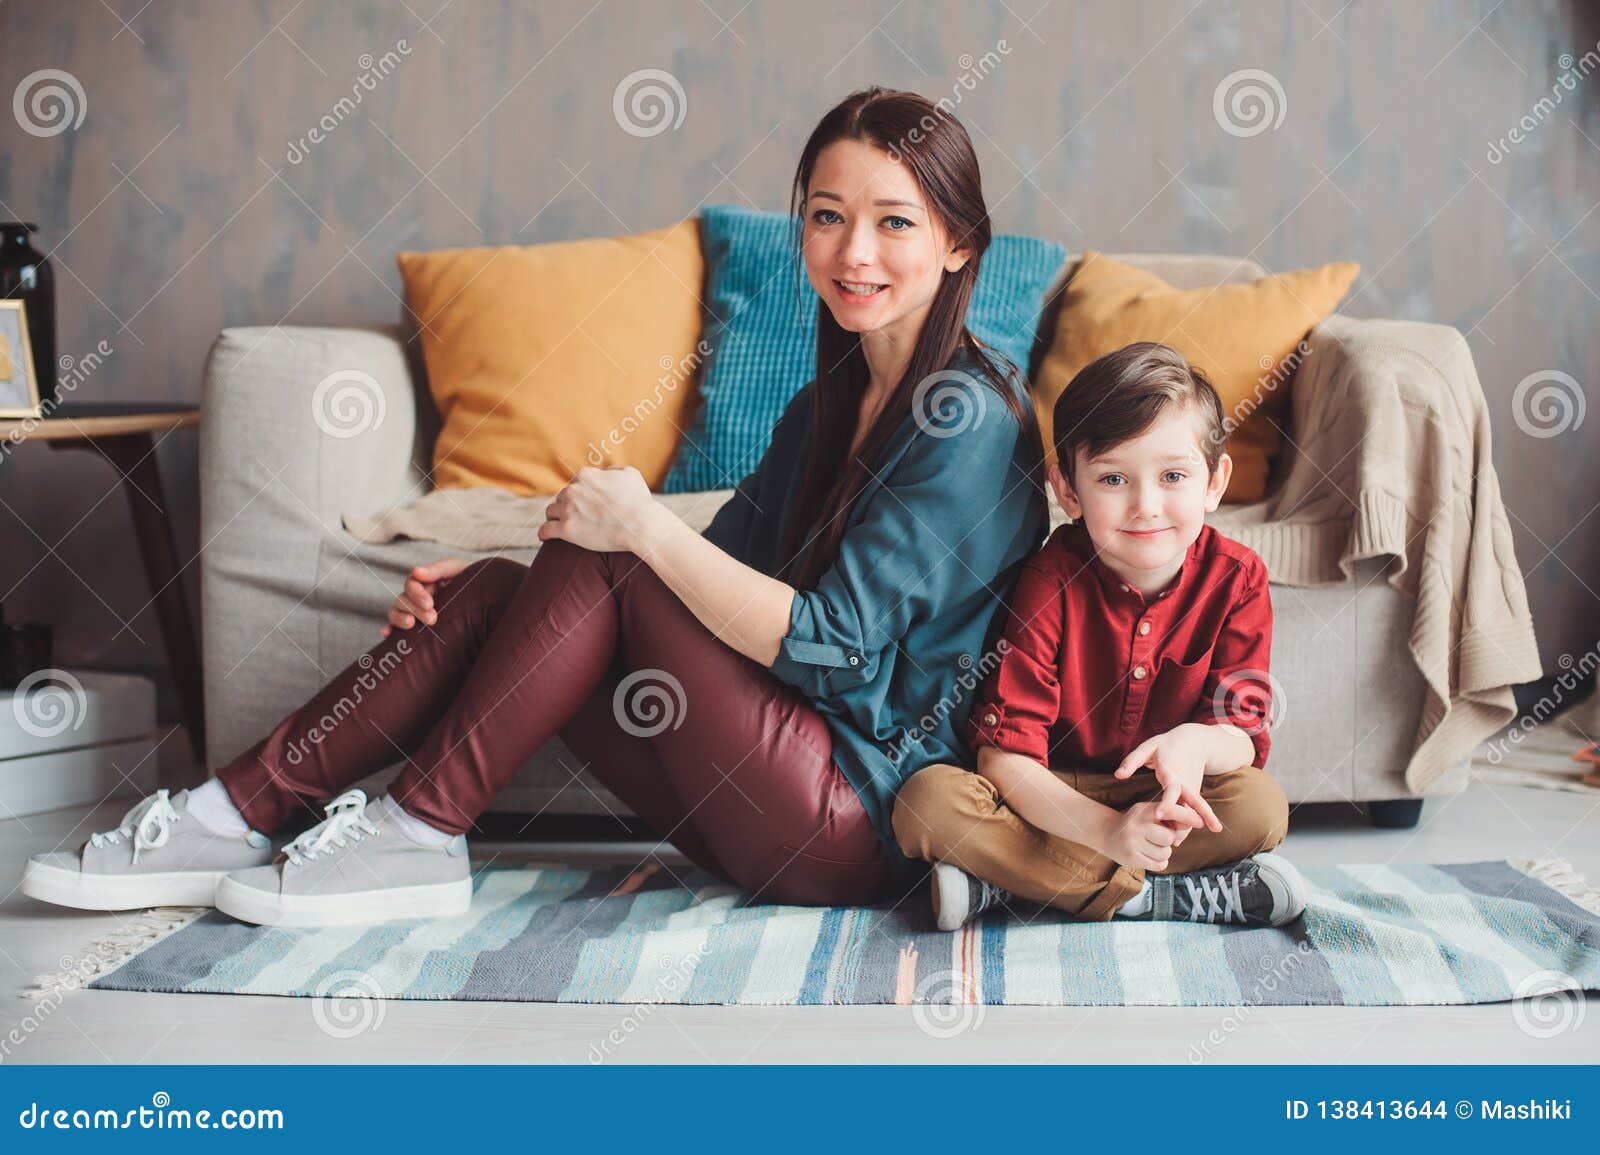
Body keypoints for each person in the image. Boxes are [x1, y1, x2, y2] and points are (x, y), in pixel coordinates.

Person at [20, 85, 1051, 928]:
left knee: (614, 544)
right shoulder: (828, 403)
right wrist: (500, 604)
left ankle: (418, 832)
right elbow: (710, 574)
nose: (852, 252)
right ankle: (226, 814)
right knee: (498, 590)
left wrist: (635, 527)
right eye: (827, 217)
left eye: (893, 222)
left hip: (854, 821)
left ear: (960, 244)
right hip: (777, 780)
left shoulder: (966, 421)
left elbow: (832, 648)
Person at [892, 342, 1310, 931]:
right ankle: (1154, 898)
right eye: (1113, 478)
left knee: (1261, 808)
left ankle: (1013, 883)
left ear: (1214, 482)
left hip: (1161, 796)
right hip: (1051, 796)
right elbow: (1004, 757)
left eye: (1173, 476)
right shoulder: (1052, 574)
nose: (1145, 506)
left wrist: (1194, 743)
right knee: (927, 803)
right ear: (1068, 491)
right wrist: (1107, 833)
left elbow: (1241, 735)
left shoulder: (1238, 579)